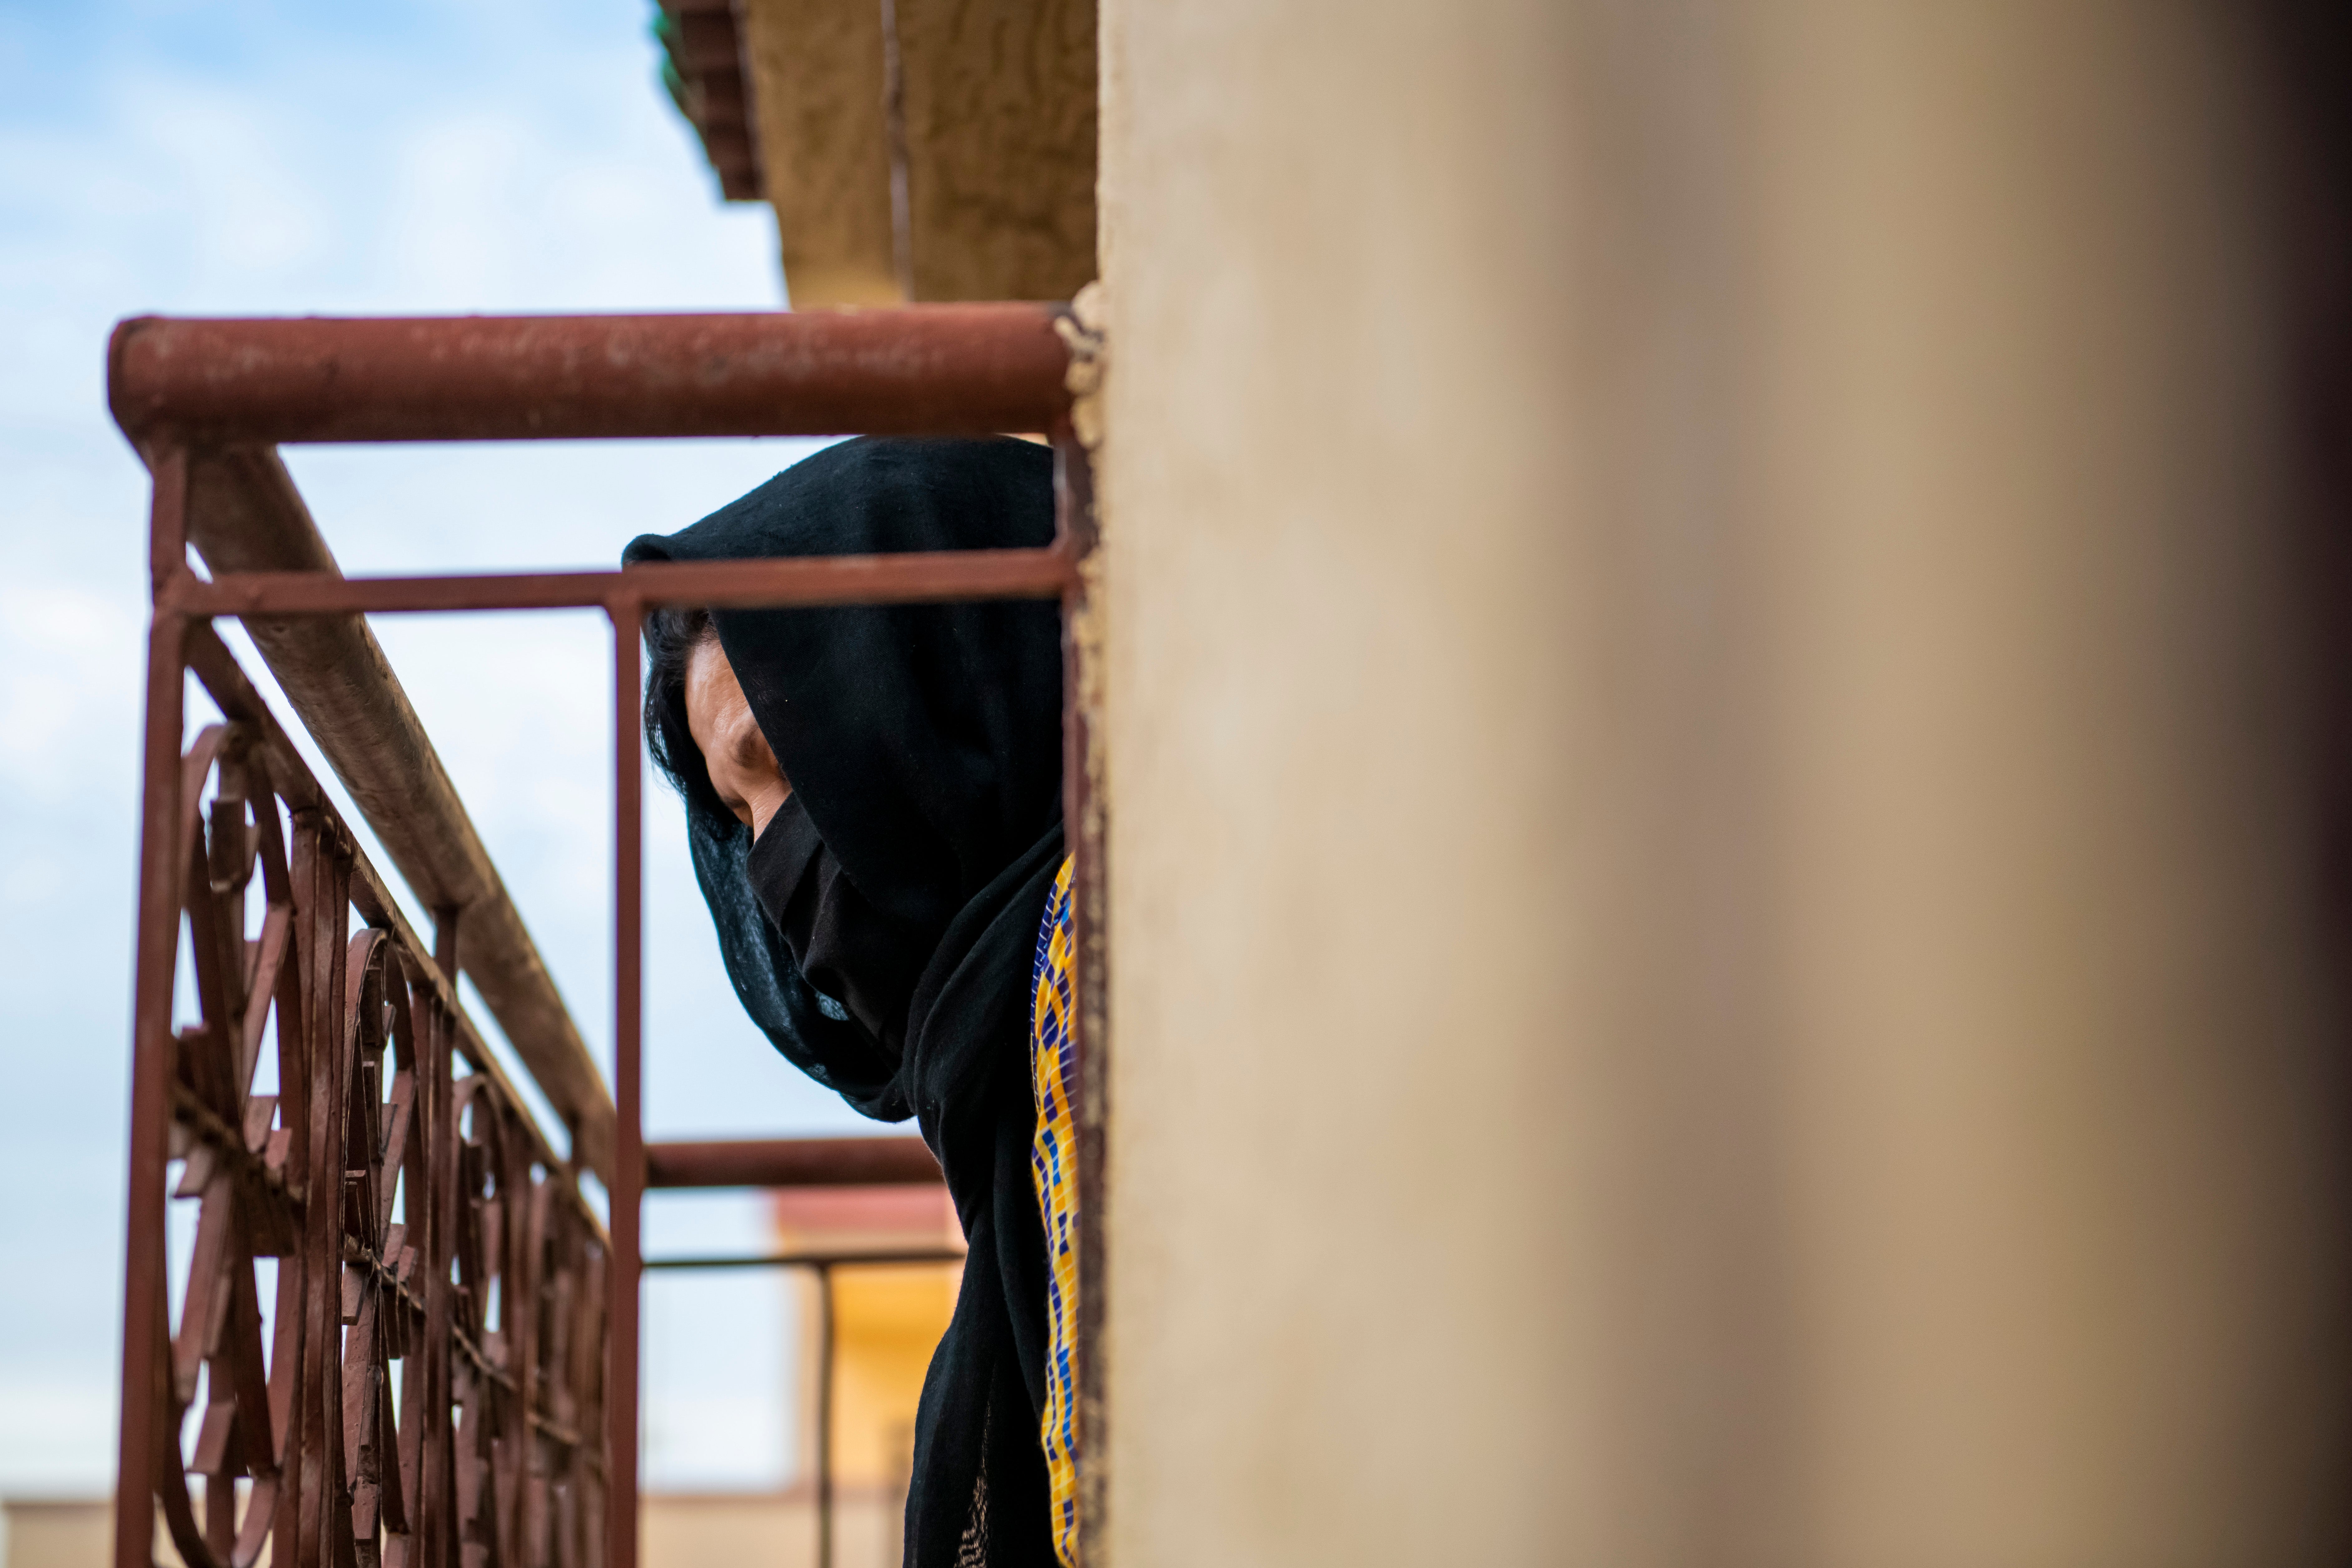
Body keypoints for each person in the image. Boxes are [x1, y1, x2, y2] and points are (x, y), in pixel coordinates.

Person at [626, 437, 1078, 1568]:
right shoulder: (1007, 1066)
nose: (772, 871)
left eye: (782, 758)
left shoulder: (1107, 964)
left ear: (940, 675)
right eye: (736, 819)